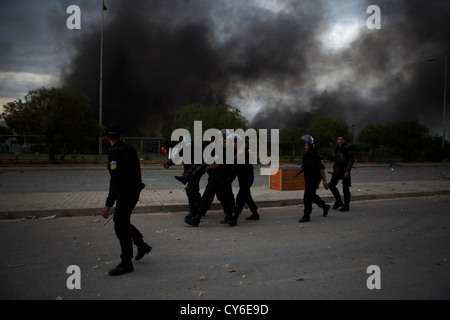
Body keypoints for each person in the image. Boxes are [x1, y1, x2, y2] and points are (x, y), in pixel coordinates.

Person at [102, 124, 152, 276]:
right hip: (134, 191)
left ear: (107, 138)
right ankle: (141, 244)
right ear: (121, 135)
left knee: (120, 226)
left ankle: (126, 263)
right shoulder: (130, 148)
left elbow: (116, 180)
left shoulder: (115, 152)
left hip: (125, 193)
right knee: (122, 221)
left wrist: (108, 204)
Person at [185, 130, 236, 227]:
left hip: (220, 178)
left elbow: (218, 164)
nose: (223, 140)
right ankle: (229, 216)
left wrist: (209, 167)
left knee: (210, 198)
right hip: (218, 178)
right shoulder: (219, 148)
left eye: (225, 138)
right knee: (217, 198)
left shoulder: (224, 149)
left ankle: (197, 219)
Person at [293, 135, 330, 222]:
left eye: (307, 145)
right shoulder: (305, 156)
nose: (305, 147)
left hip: (315, 179)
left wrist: (325, 182)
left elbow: (321, 170)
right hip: (308, 178)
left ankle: (307, 215)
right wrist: (296, 174)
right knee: (312, 196)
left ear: (311, 146)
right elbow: (303, 167)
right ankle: (325, 206)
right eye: (305, 145)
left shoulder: (317, 157)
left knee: (307, 197)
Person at [227, 134, 259, 226]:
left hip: (247, 179)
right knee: (247, 197)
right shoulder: (238, 151)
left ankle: (234, 218)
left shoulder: (244, 152)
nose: (233, 144)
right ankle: (255, 214)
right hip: (242, 179)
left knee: (240, 198)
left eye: (235, 142)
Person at [329, 135, 354, 212]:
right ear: (337, 140)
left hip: (344, 170)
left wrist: (347, 170)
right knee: (331, 185)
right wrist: (333, 168)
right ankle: (339, 201)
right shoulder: (337, 148)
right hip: (337, 169)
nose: (340, 140)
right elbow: (336, 159)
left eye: (342, 139)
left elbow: (350, 159)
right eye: (339, 139)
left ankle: (346, 205)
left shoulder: (348, 147)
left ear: (344, 140)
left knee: (345, 188)